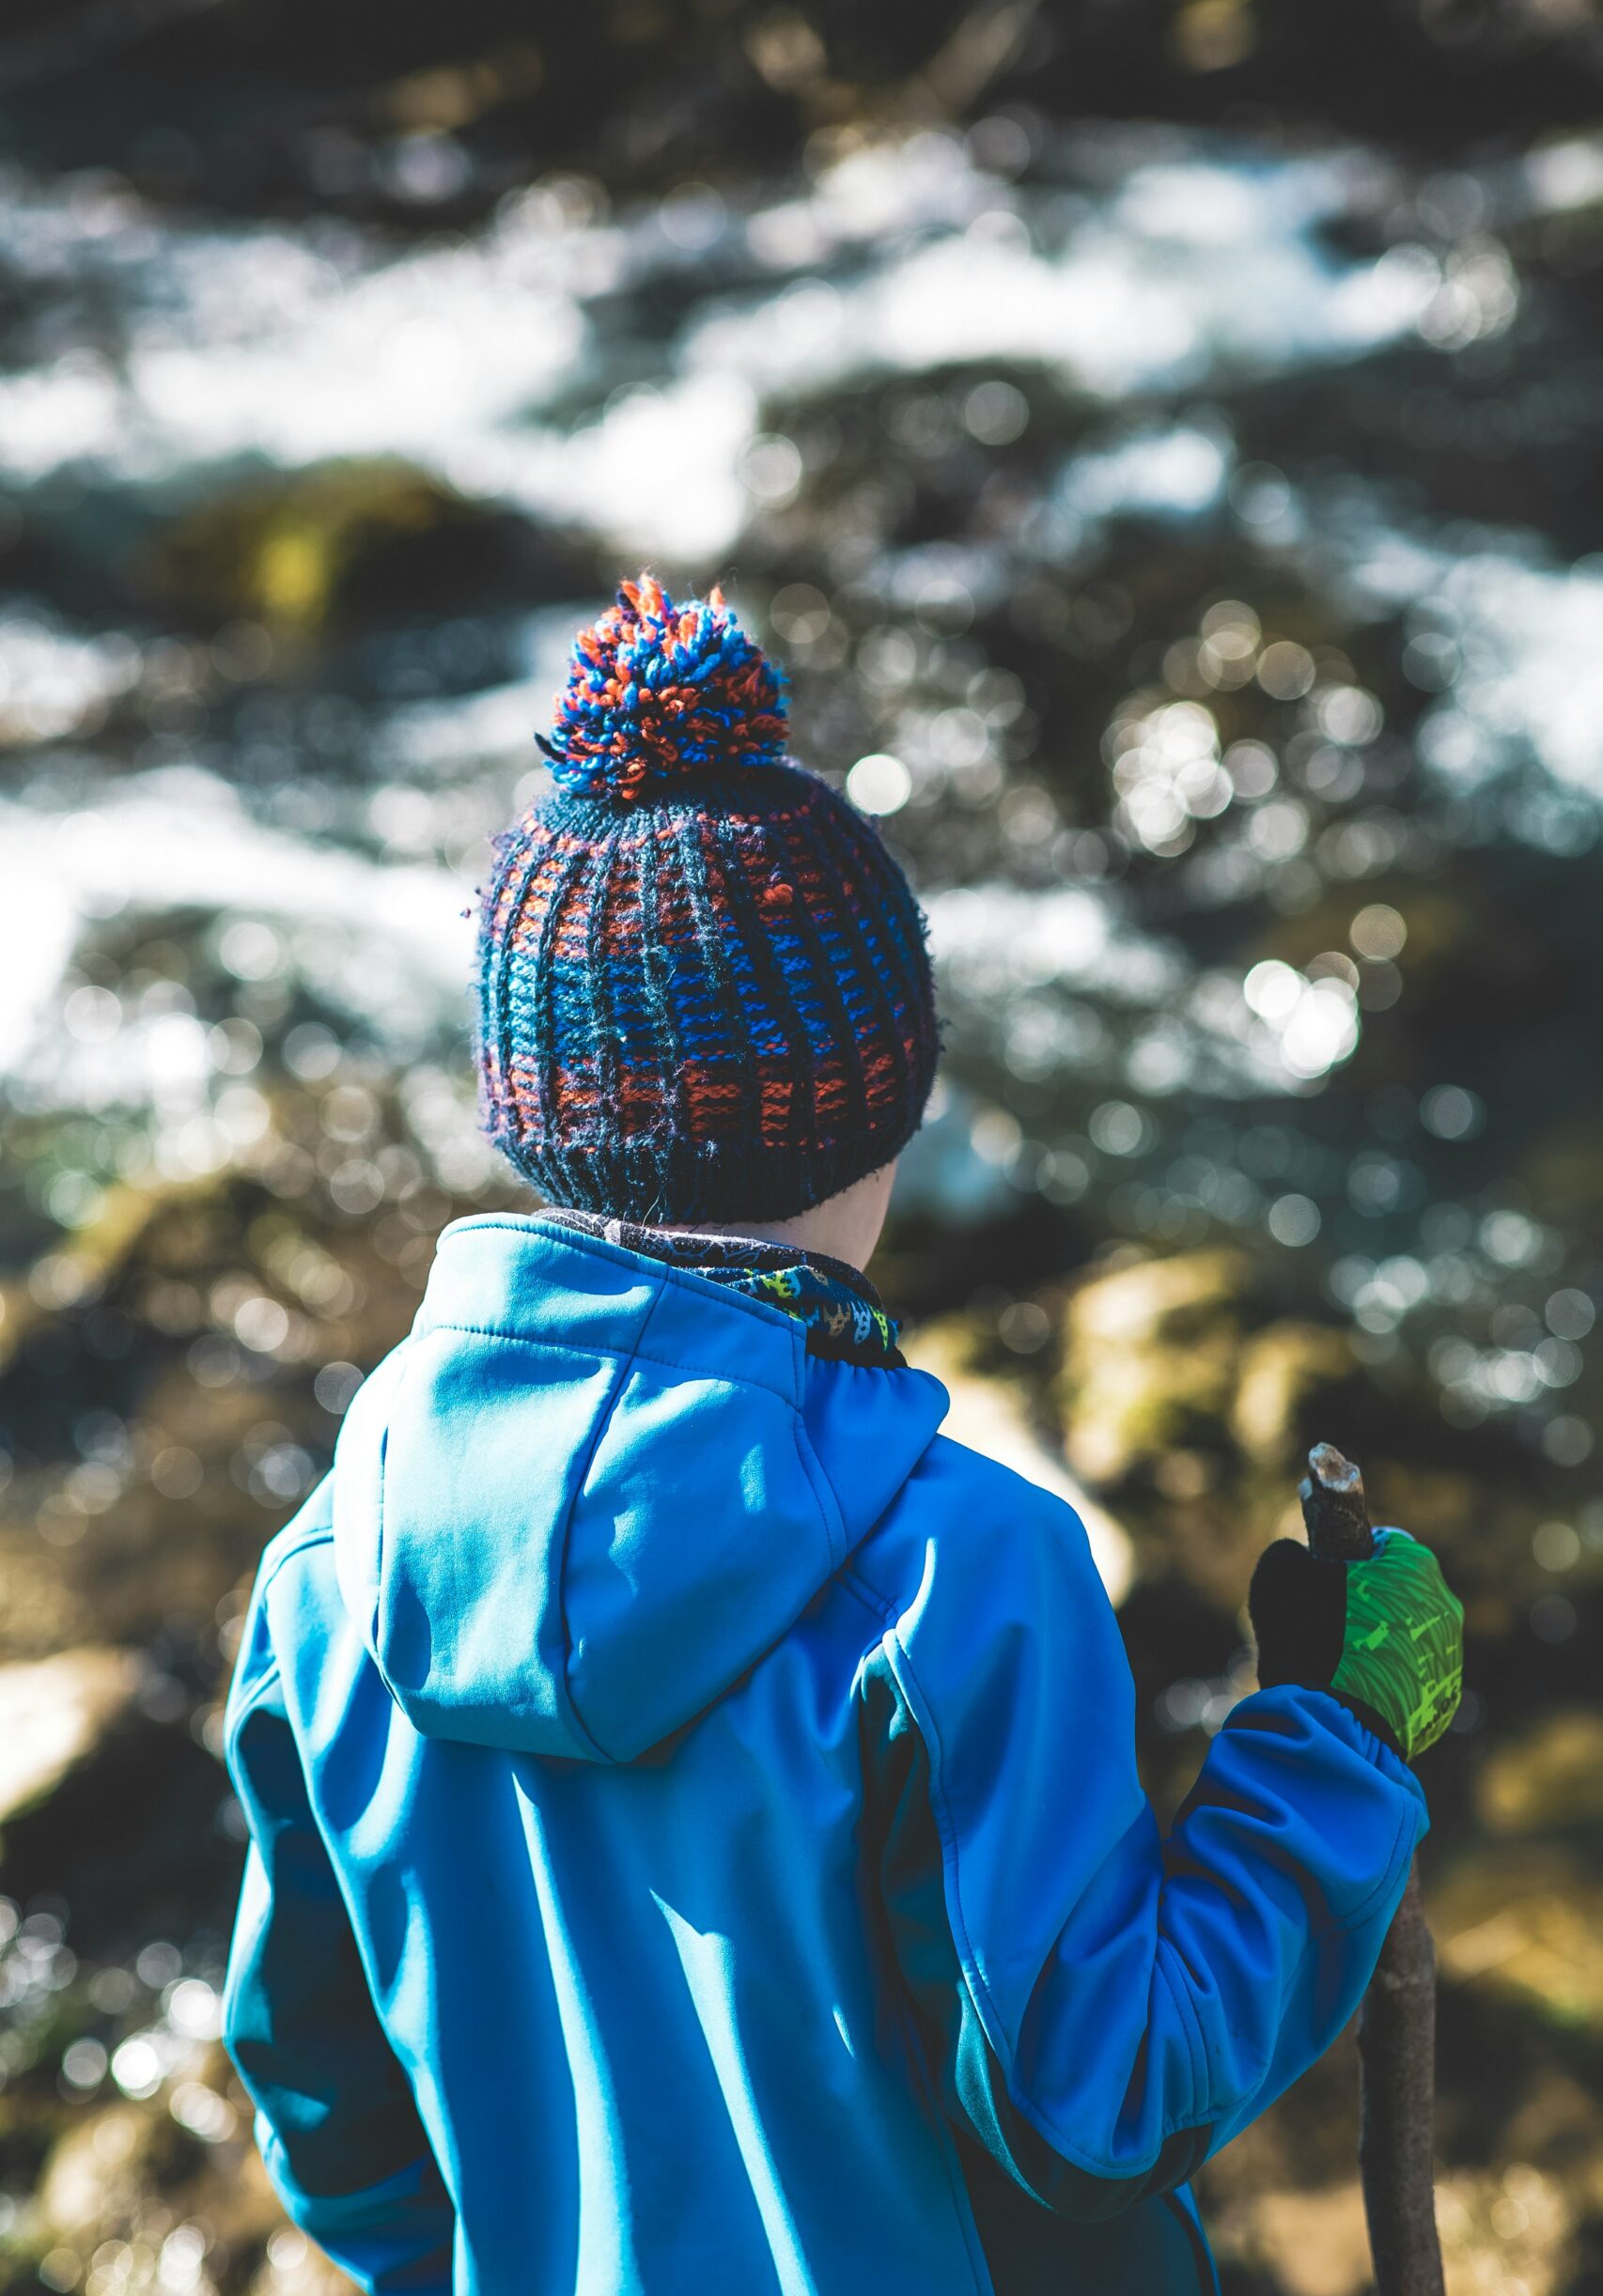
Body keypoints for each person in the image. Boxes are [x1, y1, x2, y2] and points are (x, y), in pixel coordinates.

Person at [222, 576, 1463, 2296]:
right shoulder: (959, 1574)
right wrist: (1334, 1747)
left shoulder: (322, 1583)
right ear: (886, 1092)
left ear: (537, 1112)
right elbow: (1094, 2102)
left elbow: (333, 2124)